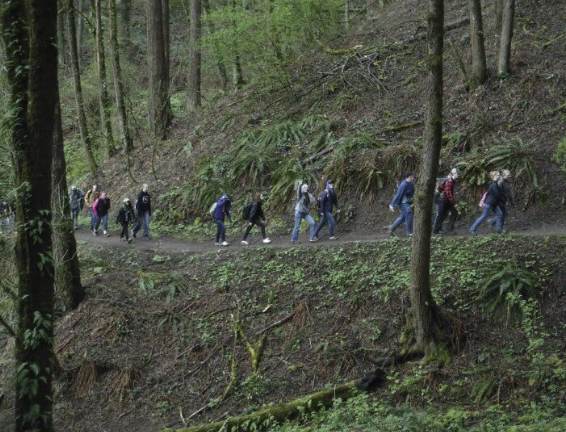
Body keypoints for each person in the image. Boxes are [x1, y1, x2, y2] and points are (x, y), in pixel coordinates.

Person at [433, 168, 460, 235]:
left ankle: (448, 229)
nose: (459, 175)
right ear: (454, 174)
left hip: (445, 200)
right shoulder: (449, 181)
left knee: (453, 212)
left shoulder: (452, 181)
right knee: (440, 215)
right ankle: (436, 231)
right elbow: (448, 193)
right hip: (440, 200)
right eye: (458, 174)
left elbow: (448, 194)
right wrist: (454, 203)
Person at [387, 172, 415, 237]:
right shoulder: (403, 184)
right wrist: (392, 204)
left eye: (413, 177)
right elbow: (398, 194)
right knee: (409, 213)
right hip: (403, 202)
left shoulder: (412, 184)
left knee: (403, 217)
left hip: (408, 202)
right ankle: (410, 233)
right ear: (407, 177)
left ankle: (391, 228)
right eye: (411, 177)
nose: (412, 178)